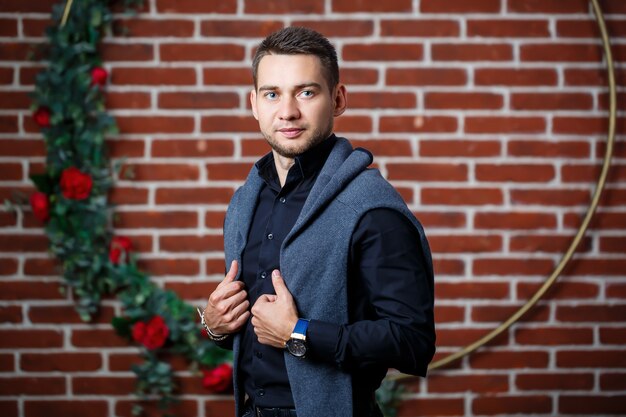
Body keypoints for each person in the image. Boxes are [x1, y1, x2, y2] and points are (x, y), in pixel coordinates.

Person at [200, 26, 435, 417]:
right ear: (254, 103)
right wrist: (216, 325)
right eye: (272, 93)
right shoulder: (246, 200)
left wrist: (299, 333)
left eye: (306, 92)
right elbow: (258, 334)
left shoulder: (371, 207)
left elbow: (412, 341)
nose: (288, 110)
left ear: (338, 99)